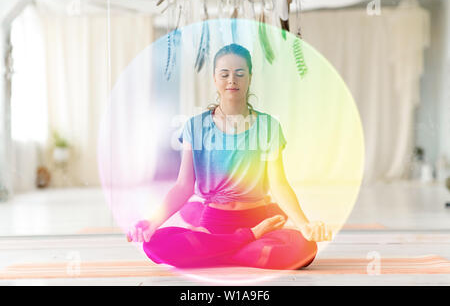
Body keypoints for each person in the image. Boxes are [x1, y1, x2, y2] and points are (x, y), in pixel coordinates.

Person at [127, 43, 332, 269]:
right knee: (153, 244)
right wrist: (152, 222)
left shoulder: (268, 126)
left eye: (239, 73)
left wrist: (304, 225)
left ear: (250, 78)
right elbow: (183, 186)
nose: (232, 80)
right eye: (224, 74)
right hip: (214, 222)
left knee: (306, 248)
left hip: (257, 217)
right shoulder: (195, 127)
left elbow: (279, 184)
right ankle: (245, 241)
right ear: (215, 79)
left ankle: (213, 251)